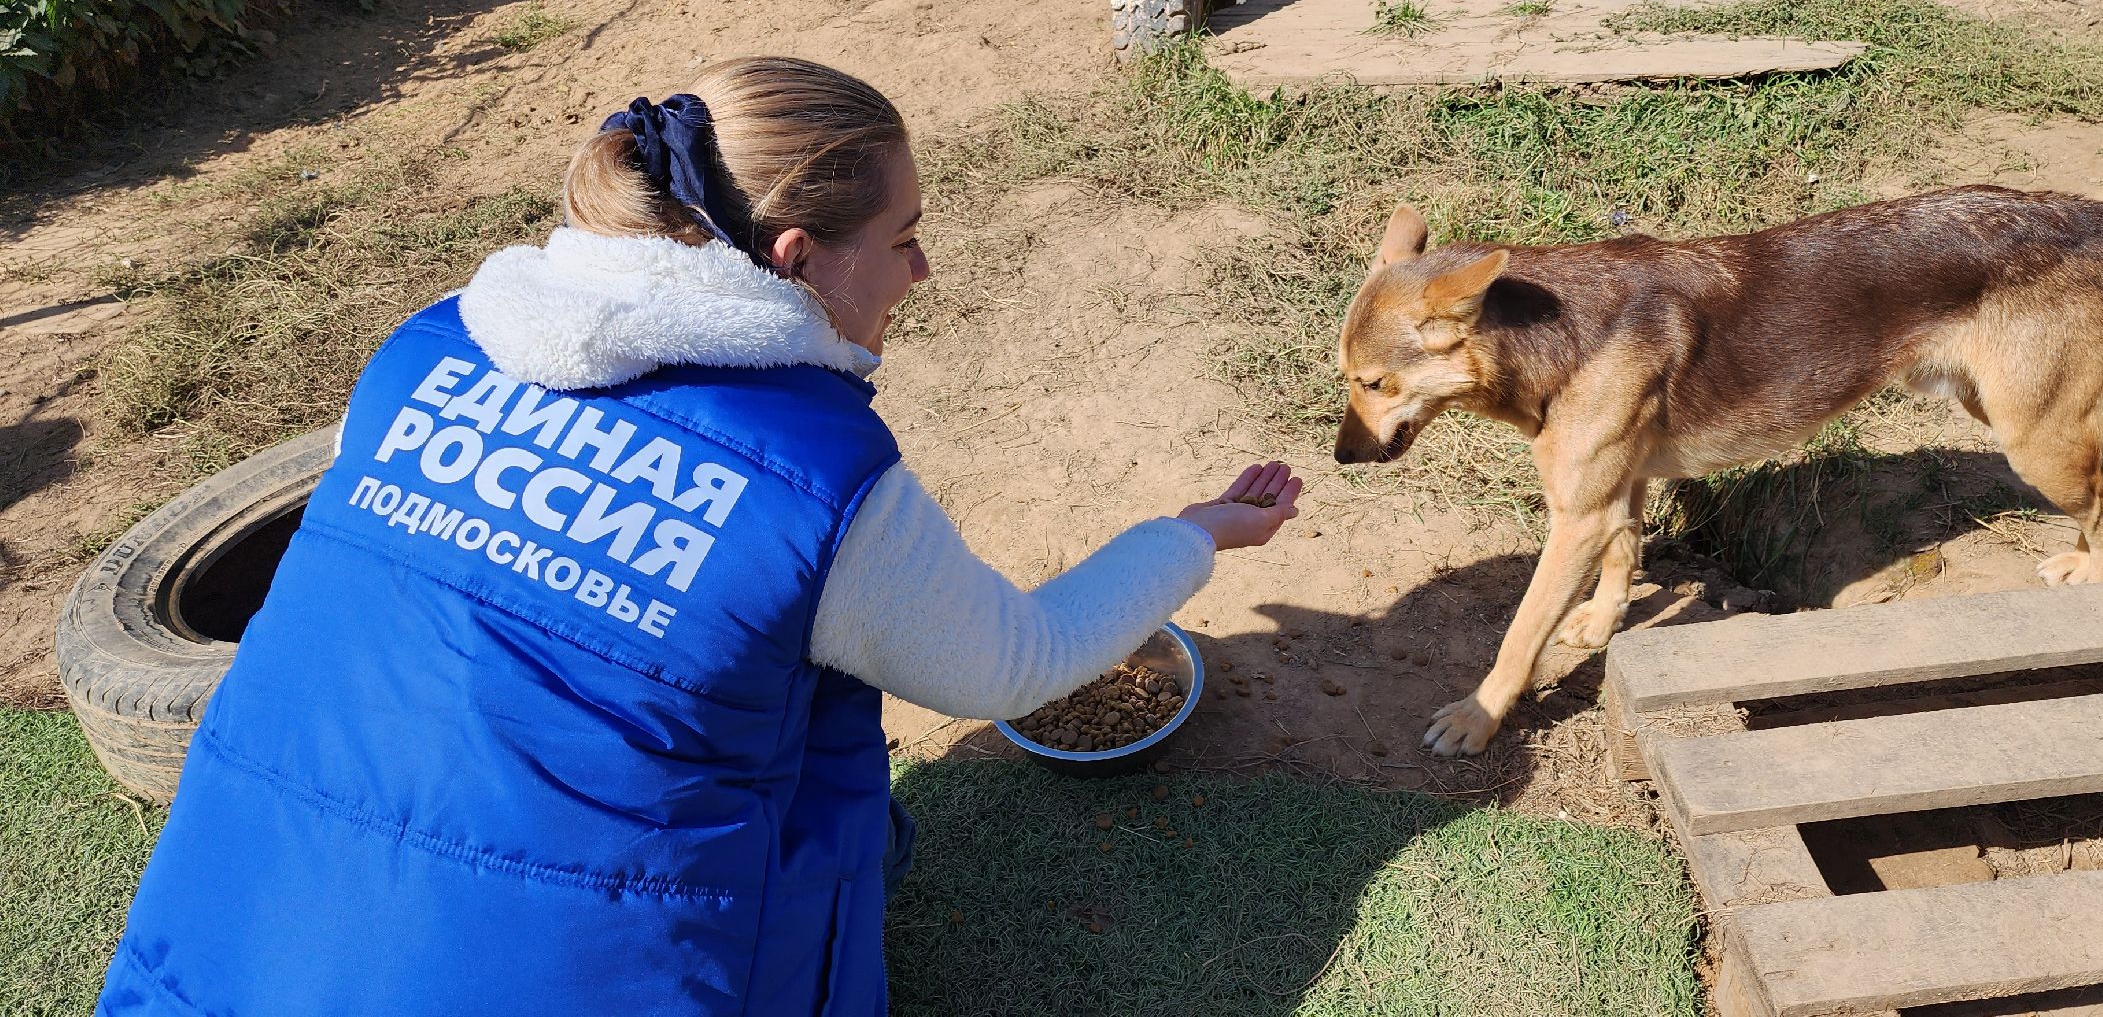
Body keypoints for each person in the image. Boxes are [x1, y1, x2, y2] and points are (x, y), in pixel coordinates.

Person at [97, 56, 1302, 1017]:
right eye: (904, 236)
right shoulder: (817, 484)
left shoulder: (421, 352)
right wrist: (1195, 532)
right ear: (793, 260)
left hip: (230, 944)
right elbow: (1016, 666)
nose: (923, 267)